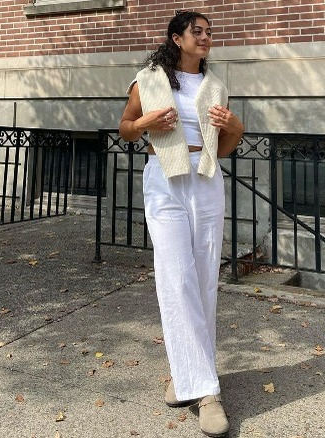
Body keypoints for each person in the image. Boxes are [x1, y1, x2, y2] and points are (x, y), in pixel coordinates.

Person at [118, 10, 244, 437]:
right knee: (177, 278)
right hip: (164, 178)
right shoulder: (148, 79)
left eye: (209, 32)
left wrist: (236, 128)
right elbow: (125, 129)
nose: (205, 37)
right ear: (177, 38)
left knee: (205, 277)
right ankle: (207, 393)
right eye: (197, 31)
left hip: (205, 178)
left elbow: (222, 149)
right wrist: (145, 123)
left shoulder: (216, 86)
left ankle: (184, 375)